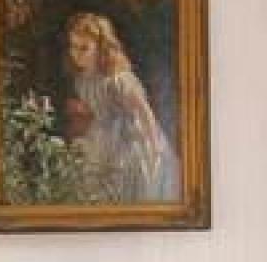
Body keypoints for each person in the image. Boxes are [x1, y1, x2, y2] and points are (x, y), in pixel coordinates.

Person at [61, 11, 180, 202]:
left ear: (101, 48)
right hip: (102, 136)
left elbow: (143, 111)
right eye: (73, 47)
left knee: (133, 182)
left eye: (84, 48)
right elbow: (101, 108)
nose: (76, 54)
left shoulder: (118, 79)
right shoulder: (82, 80)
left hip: (131, 138)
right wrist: (84, 111)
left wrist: (154, 147)